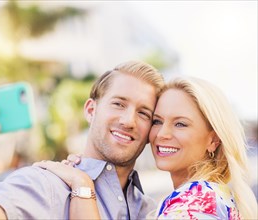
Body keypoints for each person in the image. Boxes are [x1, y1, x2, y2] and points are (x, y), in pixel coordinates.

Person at [0, 60, 165, 219]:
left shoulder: (151, 209)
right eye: (118, 104)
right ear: (91, 111)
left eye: (144, 113)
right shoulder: (47, 184)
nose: (129, 120)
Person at [37, 76, 258, 219]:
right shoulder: (213, 195)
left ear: (213, 140)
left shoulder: (195, 205)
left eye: (180, 124)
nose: (162, 134)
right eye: (157, 121)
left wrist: (82, 185)